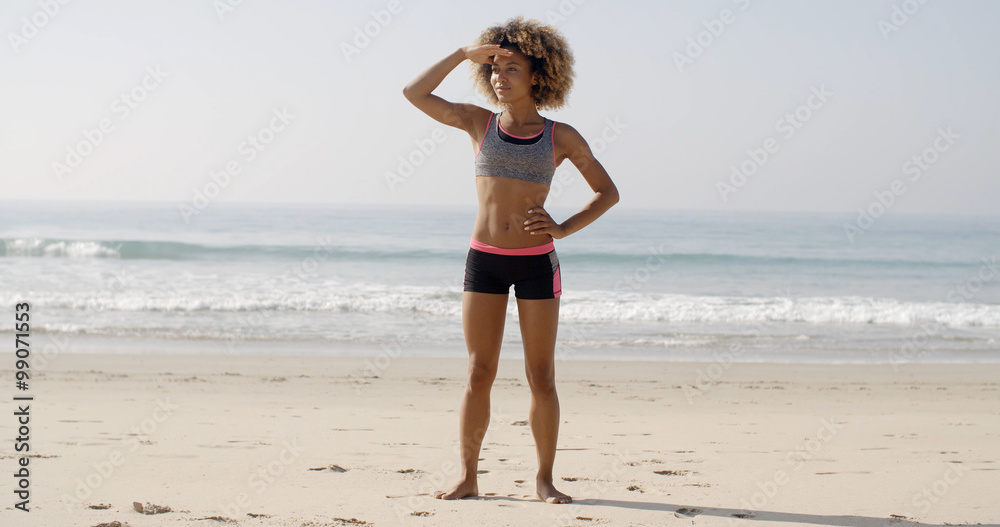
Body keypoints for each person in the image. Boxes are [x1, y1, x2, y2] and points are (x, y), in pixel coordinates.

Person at [402, 16, 619, 504]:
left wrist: (563, 227)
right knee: (480, 372)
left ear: (537, 76)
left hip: (537, 263)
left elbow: (607, 193)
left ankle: (544, 479)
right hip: (484, 261)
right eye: (495, 68)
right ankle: (468, 477)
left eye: (511, 68)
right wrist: (463, 54)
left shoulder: (559, 136)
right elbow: (414, 93)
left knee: (540, 376)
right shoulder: (479, 123)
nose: (499, 76)